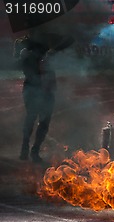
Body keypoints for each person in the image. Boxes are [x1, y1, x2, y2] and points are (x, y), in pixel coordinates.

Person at [13, 31, 72, 162]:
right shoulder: (27, 49)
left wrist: (52, 51)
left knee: (39, 121)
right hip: (34, 87)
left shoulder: (40, 45)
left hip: (43, 88)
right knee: (34, 119)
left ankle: (31, 150)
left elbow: (69, 38)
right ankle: (27, 149)